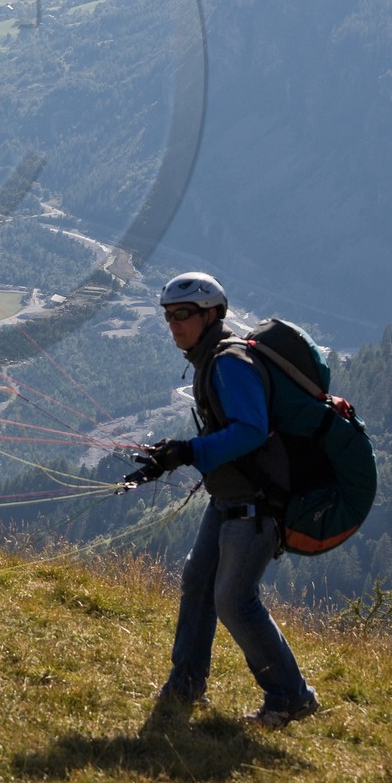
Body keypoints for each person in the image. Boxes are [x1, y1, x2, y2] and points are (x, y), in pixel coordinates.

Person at [134, 271, 319, 729]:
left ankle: (291, 696)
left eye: (184, 315)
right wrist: (174, 455)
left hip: (256, 505)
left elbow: (251, 430)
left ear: (212, 314)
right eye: (169, 316)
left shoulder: (230, 362)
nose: (174, 324)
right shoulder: (210, 359)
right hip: (229, 499)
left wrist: (190, 451)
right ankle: (186, 684)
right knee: (198, 582)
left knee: (234, 600)